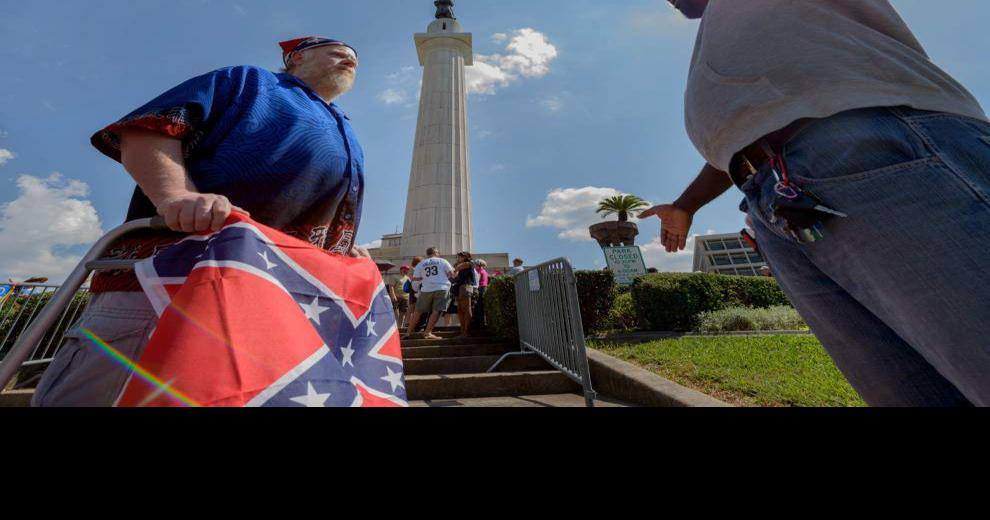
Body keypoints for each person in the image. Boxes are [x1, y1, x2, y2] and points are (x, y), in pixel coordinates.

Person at [645, 0, 990, 406]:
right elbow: (754, 123)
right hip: (781, 196)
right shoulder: (728, 26)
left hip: (873, 149)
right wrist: (686, 205)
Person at [33, 36, 368, 407]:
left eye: (353, 58)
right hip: (172, 275)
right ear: (297, 58)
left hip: (266, 301)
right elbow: (144, 131)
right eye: (337, 53)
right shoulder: (249, 82)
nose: (349, 60)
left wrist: (340, 249)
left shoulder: (343, 124)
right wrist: (177, 195)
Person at [404, 248, 454, 341]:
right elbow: (451, 274)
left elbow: (415, 278)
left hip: (426, 289)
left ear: (427, 254)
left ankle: (408, 333)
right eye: (438, 252)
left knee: (417, 311)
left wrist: (426, 279)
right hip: (441, 288)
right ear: (435, 253)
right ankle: (427, 332)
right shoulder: (442, 261)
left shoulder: (421, 263)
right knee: (436, 311)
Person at [449, 252, 477, 338]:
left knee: (466, 309)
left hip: (465, 287)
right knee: (460, 310)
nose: (458, 258)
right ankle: (463, 331)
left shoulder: (469, 263)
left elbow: (456, 268)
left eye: (460, 256)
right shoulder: (462, 265)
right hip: (460, 287)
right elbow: (454, 275)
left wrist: (453, 269)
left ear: (466, 257)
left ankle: (466, 332)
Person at [473, 259, 490, 329]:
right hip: (484, 288)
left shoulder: (479, 271)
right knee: (481, 307)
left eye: (475, 265)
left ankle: (480, 324)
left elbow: (476, 281)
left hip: (480, 288)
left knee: (479, 307)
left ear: (478, 265)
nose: (474, 266)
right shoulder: (484, 271)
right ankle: (482, 323)